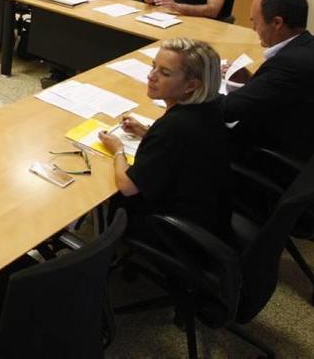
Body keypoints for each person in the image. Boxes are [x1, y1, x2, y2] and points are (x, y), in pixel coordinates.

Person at [98, 38, 232, 241]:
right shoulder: (209, 108)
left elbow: (127, 186)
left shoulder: (174, 127)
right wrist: (146, 132)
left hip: (177, 228)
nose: (151, 76)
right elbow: (183, 147)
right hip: (211, 213)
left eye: (165, 73)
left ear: (191, 85)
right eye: (153, 67)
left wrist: (117, 149)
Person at [220, 0, 314, 163]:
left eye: (256, 22)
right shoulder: (312, 45)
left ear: (277, 22)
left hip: (269, 153)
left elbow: (228, 110)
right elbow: (279, 90)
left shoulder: (290, 64)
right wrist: (251, 81)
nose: (254, 29)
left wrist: (193, 88)